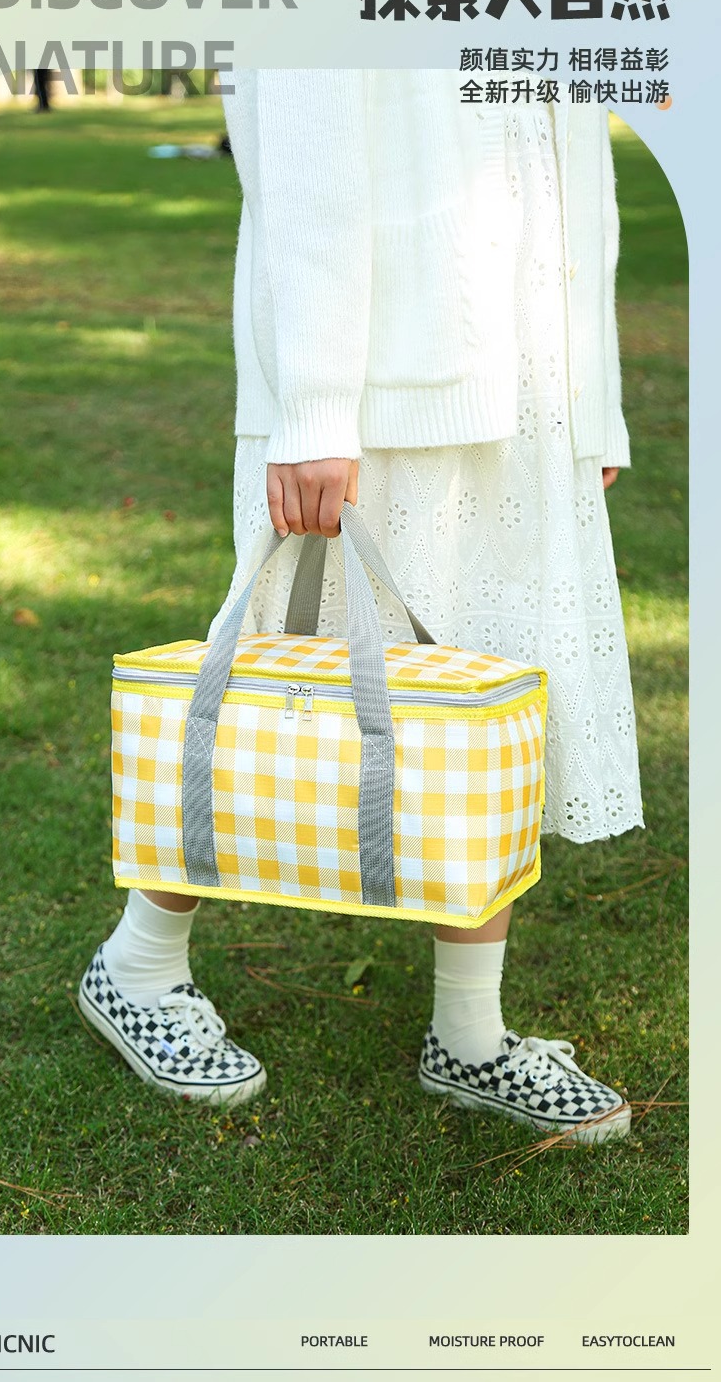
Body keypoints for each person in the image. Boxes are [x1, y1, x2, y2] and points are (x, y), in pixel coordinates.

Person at [79, 70, 643, 1141]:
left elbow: (569, 147)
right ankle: (137, 965)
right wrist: (315, 407)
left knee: (487, 702)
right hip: (378, 380)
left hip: (529, 378)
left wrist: (591, 395)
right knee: (277, 685)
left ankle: (468, 1033)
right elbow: (306, 149)